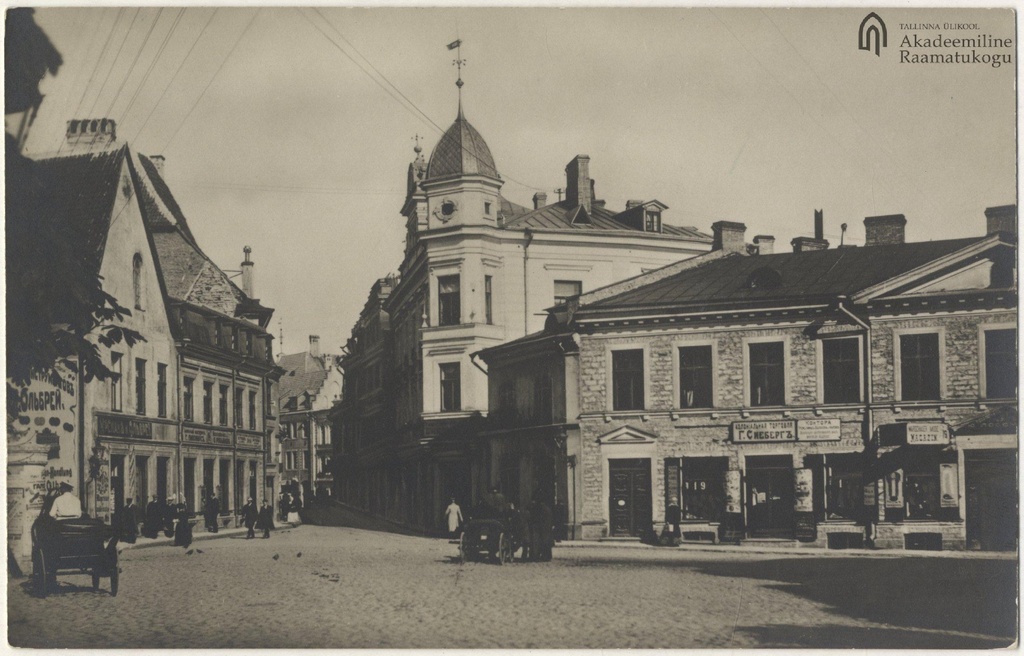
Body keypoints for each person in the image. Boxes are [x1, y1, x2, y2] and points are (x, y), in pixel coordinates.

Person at [528, 494, 554, 562]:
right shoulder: (547, 509)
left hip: (542, 528)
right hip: (546, 528)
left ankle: (537, 556)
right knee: (545, 542)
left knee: (539, 542)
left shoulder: (540, 509)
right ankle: (546, 556)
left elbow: (536, 519)